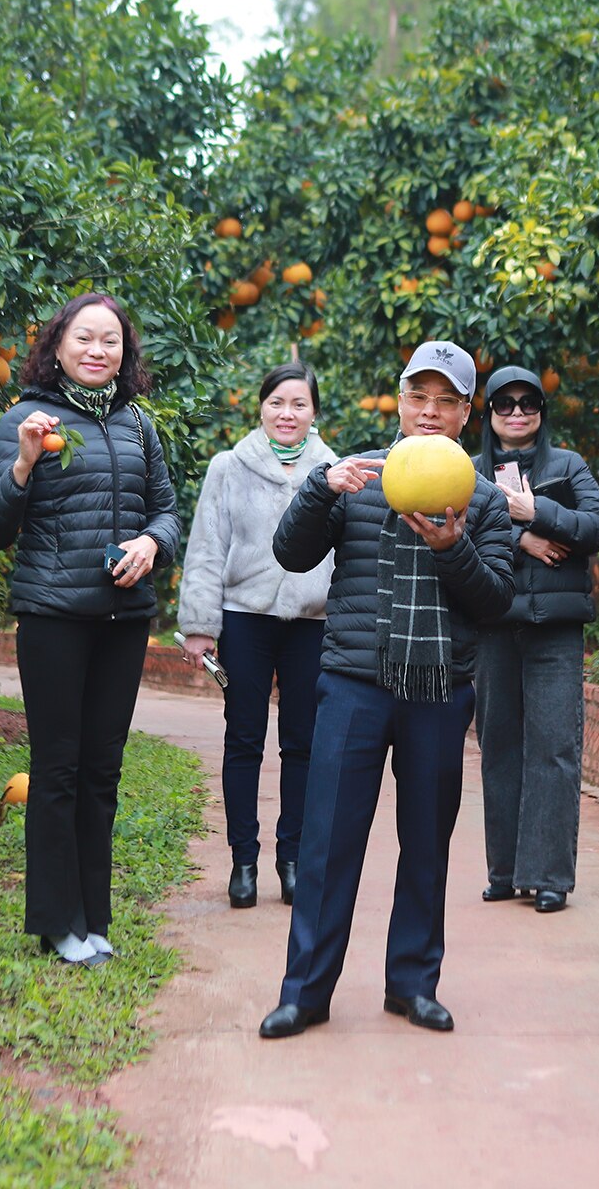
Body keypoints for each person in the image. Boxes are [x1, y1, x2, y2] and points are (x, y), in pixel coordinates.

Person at [258, 340, 515, 1038]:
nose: (429, 413)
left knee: (426, 846)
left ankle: (413, 983)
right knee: (327, 844)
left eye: (446, 402)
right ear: (399, 402)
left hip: (439, 690)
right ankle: (305, 991)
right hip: (352, 682)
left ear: (468, 413)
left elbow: (495, 602)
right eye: (418, 397)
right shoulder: (356, 476)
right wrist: (319, 489)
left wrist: (450, 546)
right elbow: (290, 553)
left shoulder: (484, 500)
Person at [0, 293, 180, 969]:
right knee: (57, 771)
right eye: (84, 338)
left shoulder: (137, 424)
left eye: (111, 341)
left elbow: (169, 511)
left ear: (126, 354)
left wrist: (152, 543)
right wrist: (25, 464)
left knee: (102, 773)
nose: (98, 350)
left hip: (123, 621)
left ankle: (94, 917)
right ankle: (57, 921)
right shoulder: (23, 421)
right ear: (57, 346)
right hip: (54, 618)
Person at [178, 362, 338, 911]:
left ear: (314, 412)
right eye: (277, 403)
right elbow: (205, 548)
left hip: (313, 623)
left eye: (299, 404)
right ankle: (242, 860)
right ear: (261, 407)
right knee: (243, 739)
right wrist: (199, 627)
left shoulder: (336, 469)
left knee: (303, 744)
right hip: (244, 616)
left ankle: (289, 859)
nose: (287, 413)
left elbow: (349, 556)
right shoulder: (229, 467)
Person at [471, 365, 599, 913]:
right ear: (490, 414)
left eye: (528, 403)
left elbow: (597, 526)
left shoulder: (567, 465)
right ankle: (504, 871)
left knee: (554, 748)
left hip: (555, 629)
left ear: (541, 411)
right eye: (504, 404)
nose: (517, 413)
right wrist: (520, 536)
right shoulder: (472, 471)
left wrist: (539, 512)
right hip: (495, 623)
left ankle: (549, 875)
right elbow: (450, 524)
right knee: (498, 747)